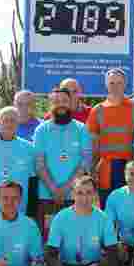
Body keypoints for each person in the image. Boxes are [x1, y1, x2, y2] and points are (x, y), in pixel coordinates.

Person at [42, 175, 120, 266]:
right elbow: (49, 253)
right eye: (79, 193)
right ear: (73, 194)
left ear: (95, 194)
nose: (84, 198)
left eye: (89, 193)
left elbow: (113, 251)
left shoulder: (103, 218)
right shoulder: (61, 217)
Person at [33, 87, 93, 238]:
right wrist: (53, 189)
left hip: (76, 196)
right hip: (47, 196)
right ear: (50, 104)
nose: (61, 104)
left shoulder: (81, 129)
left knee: (74, 238)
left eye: (64, 101)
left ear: (70, 103)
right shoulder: (41, 130)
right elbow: (39, 164)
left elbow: (85, 162)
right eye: (56, 101)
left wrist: (66, 188)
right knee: (49, 239)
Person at [88, 69, 134, 208]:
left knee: (130, 210)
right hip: (105, 170)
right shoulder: (97, 110)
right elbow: (92, 144)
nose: (115, 86)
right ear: (106, 85)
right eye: (111, 83)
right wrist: (91, 170)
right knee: (108, 211)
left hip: (131, 169)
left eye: (119, 83)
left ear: (125, 84)